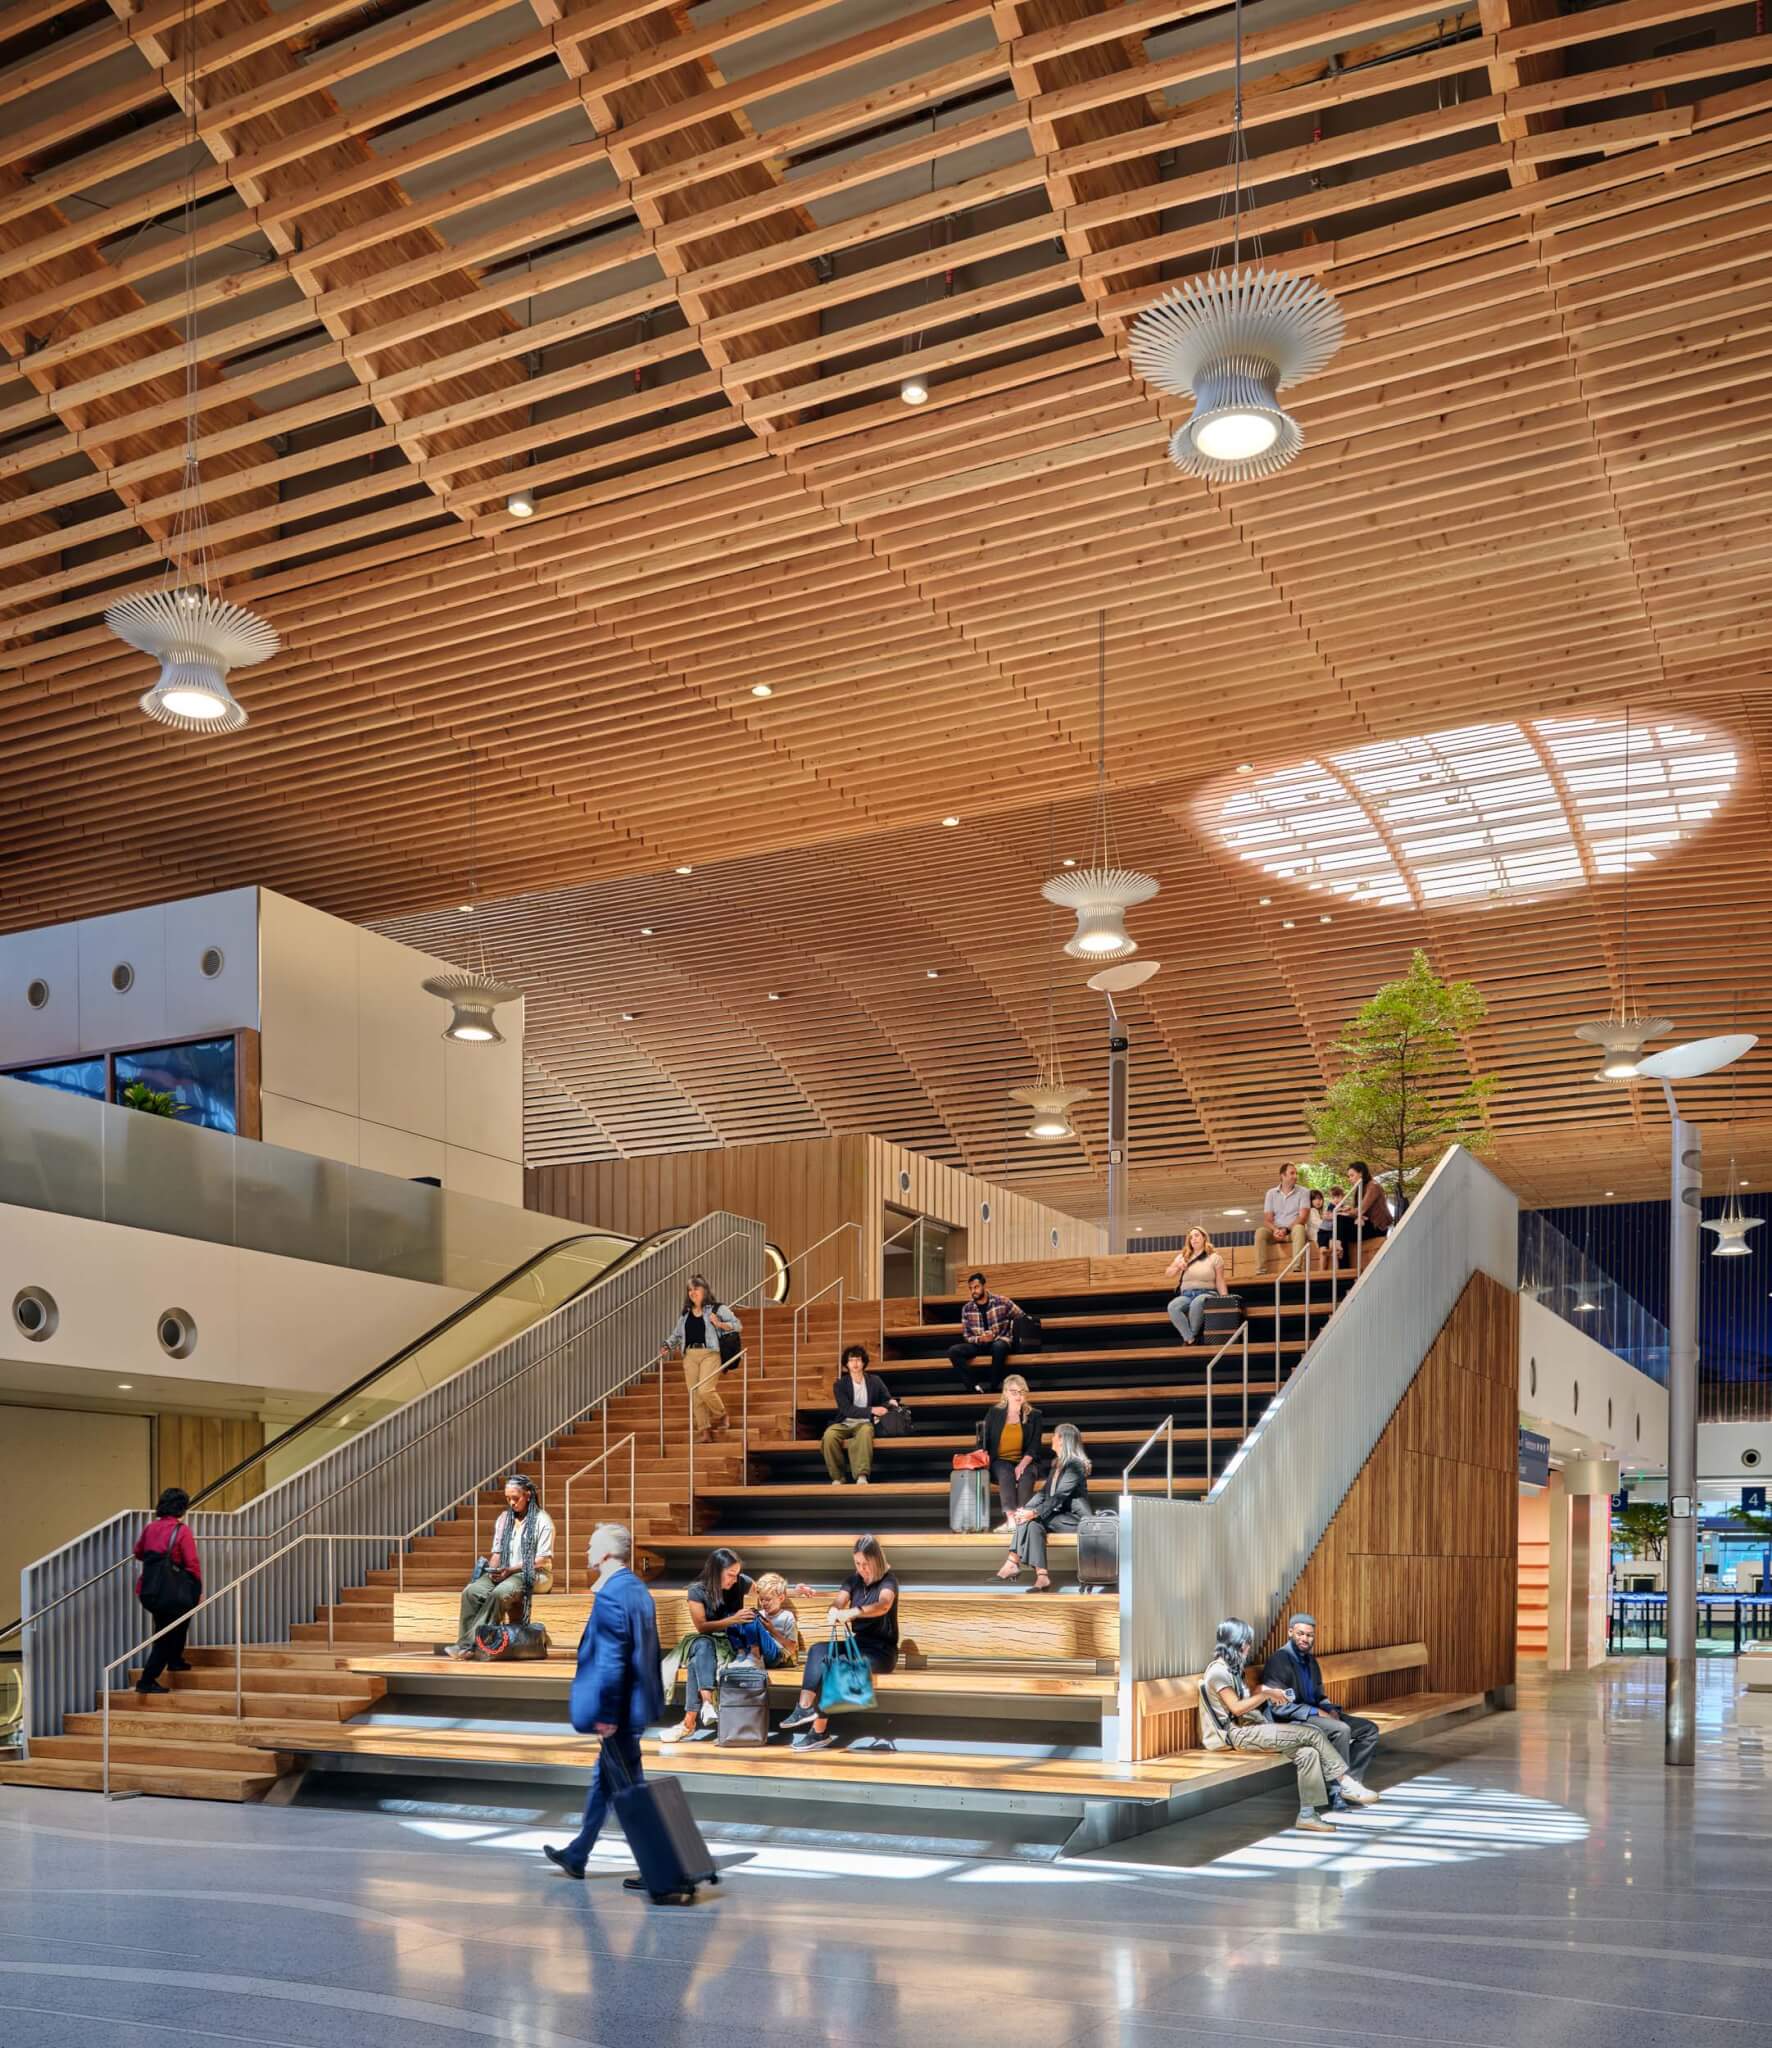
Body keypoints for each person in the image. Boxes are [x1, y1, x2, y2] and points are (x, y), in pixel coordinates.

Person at [544, 1522, 665, 1885]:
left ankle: (658, 1867)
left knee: (630, 1790)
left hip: (620, 1711)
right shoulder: (638, 1590)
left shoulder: (612, 1595)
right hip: (636, 1704)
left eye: (591, 1546)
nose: (586, 1552)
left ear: (607, 1554)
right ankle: (578, 1853)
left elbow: (613, 1659)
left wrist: (608, 1714)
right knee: (607, 1781)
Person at [1198, 1618, 1378, 1832]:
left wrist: (1261, 1693)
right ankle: (1345, 1782)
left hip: (1252, 1728)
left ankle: (1307, 1815)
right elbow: (1236, 1708)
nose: (1249, 1646)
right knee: (1312, 1734)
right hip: (1237, 1734)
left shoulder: (1233, 1669)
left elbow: (1244, 1702)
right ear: (1235, 1642)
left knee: (1308, 1753)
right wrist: (1266, 1694)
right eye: (1247, 1641)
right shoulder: (1218, 1672)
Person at [777, 1534, 899, 1752]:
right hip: (857, 1644)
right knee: (818, 1650)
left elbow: (883, 1605)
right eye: (857, 1564)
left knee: (835, 1664)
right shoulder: (853, 1581)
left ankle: (818, 1732)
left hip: (882, 1652)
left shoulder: (888, 1581)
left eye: (865, 1564)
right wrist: (834, 1610)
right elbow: (838, 1601)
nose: (861, 1569)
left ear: (877, 1561)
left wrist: (853, 1612)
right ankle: (804, 1707)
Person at [444, 1472, 554, 1657]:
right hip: (506, 1572)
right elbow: (497, 1554)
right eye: (508, 1499)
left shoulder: (543, 1520)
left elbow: (542, 1560)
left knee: (500, 1593)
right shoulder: (504, 1519)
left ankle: (468, 1645)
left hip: (535, 1574)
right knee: (472, 1592)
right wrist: (492, 1571)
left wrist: (510, 1570)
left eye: (515, 1498)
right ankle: (471, 1643)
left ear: (528, 1495)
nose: (512, 1503)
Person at [1262, 1613, 1380, 1781]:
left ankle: (1351, 1782)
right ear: (1289, 1632)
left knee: (1369, 1730)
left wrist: (1330, 1709)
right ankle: (1337, 1790)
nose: (1305, 1639)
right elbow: (1279, 1707)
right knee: (1341, 1729)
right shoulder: (1279, 1661)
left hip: (1316, 1715)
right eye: (1300, 1634)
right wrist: (1316, 1712)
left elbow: (1319, 1695)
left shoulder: (1311, 1661)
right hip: (1292, 1719)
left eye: (1310, 1635)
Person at [661, 1546, 755, 1743]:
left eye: (737, 1574)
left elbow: (764, 1594)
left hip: (731, 1643)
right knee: (703, 1645)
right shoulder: (696, 1591)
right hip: (706, 1638)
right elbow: (702, 1627)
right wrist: (732, 1619)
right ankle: (705, 1705)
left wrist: (793, 1590)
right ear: (715, 1572)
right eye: (730, 1575)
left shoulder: (743, 1584)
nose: (735, 1579)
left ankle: (690, 1721)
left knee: (697, 1661)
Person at [998, 1422, 1090, 1591]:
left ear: (1062, 1440)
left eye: (1055, 1435)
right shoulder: (1058, 1464)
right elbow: (1043, 1493)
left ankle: (1012, 1562)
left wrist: (1033, 1512)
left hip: (1075, 1520)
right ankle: (1042, 1577)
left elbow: (1059, 1496)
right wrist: (1025, 1510)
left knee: (1033, 1518)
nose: (1052, 1438)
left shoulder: (1075, 1465)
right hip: (1056, 1517)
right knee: (1032, 1524)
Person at [132, 1487, 201, 1694]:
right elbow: (192, 1563)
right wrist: (197, 1589)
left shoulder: (150, 1528)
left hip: (149, 1590)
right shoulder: (181, 1531)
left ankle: (175, 1660)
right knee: (167, 1634)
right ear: (182, 1508)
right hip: (172, 1592)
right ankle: (146, 1680)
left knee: (173, 1622)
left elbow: (138, 1553)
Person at [660, 1275, 739, 1442]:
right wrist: (667, 1345)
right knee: (695, 1395)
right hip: (690, 1355)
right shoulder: (686, 1314)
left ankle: (722, 1414)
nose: (692, 1292)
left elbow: (738, 1325)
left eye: (696, 1288)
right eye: (690, 1289)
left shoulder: (717, 1309)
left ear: (705, 1290)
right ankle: (705, 1431)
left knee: (705, 1390)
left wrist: (720, 1324)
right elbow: (677, 1334)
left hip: (710, 1353)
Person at [823, 1344, 897, 1486]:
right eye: (851, 1360)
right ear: (846, 1364)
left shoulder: (875, 1380)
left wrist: (888, 1404)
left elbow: (888, 1399)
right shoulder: (840, 1385)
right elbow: (847, 1409)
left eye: (858, 1359)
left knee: (865, 1433)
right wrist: (871, 1410)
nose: (855, 1363)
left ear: (863, 1362)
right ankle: (838, 1477)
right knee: (829, 1436)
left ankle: (861, 1475)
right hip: (845, 1422)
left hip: (865, 1422)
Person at [980, 1375, 1044, 1533]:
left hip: (1026, 1460)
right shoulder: (994, 1413)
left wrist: (1022, 1465)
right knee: (1005, 1472)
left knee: (1027, 1475)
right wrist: (983, 1456)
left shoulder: (1034, 1415)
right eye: (1014, 1392)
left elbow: (1035, 1445)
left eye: (1022, 1392)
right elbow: (983, 1439)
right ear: (1006, 1393)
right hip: (999, 1460)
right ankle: (1010, 1519)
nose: (1018, 1396)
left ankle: (1020, 1518)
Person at [947, 1271, 1023, 1393]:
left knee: (998, 1346)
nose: (973, 1291)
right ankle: (974, 1388)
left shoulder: (1002, 1301)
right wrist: (980, 1339)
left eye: (976, 1287)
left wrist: (1010, 1334)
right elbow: (967, 1335)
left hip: (1000, 1341)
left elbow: (1021, 1317)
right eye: (971, 1288)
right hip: (980, 1344)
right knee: (953, 1351)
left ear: (984, 1286)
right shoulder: (967, 1308)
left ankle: (994, 1388)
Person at [1164, 1227, 1226, 1344]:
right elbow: (1168, 1273)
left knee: (1196, 1303)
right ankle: (1191, 1338)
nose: (1194, 1239)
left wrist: (1225, 1298)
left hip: (1207, 1293)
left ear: (1204, 1237)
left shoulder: (1215, 1257)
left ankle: (1190, 1338)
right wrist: (1178, 1266)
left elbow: (1220, 1280)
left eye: (1197, 1235)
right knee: (1173, 1306)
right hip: (1187, 1294)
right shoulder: (1183, 1256)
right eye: (1191, 1237)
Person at [1254, 1162, 1312, 1275]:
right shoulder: (1271, 1193)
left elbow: (1303, 1217)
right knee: (1260, 1232)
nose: (1295, 1176)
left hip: (1292, 1231)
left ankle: (1297, 1268)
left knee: (1300, 1228)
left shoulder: (1304, 1192)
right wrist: (1276, 1230)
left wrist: (1286, 1230)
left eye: (1296, 1173)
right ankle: (1260, 1270)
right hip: (1275, 1231)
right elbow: (1267, 1219)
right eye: (1292, 1173)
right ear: (1283, 1176)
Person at [1331, 1161, 1392, 1265]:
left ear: (1361, 1173)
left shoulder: (1373, 1186)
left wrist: (1349, 1212)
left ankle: (1338, 1247)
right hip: (1366, 1223)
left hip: (1377, 1226)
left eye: (1352, 1175)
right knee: (1341, 1228)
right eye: (1349, 1176)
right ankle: (1343, 1267)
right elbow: (1359, 1210)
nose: (1350, 1179)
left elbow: (1361, 1209)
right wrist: (1350, 1210)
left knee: (1340, 1219)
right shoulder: (1361, 1188)